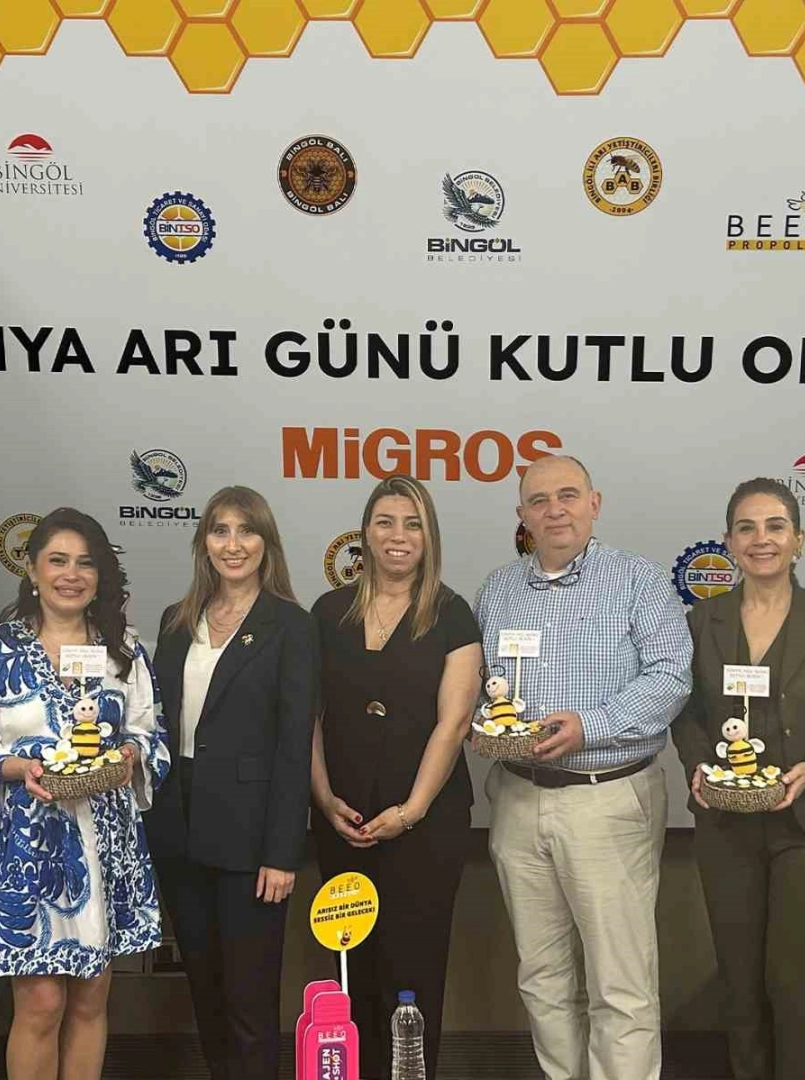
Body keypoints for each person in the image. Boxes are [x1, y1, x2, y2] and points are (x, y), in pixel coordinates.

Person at [473, 454, 693, 1080]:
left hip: (608, 797)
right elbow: (481, 684)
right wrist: (485, 721)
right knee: (542, 976)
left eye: (568, 495)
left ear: (594, 504)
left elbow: (671, 678)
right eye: (539, 501)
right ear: (521, 515)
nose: (555, 510)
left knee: (620, 982)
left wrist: (588, 726)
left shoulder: (638, 580)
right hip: (517, 799)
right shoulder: (498, 589)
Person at [0, 507, 170, 1080]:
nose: (72, 575)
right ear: (32, 570)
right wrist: (16, 766)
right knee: (41, 1005)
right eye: (58, 561)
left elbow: (148, 729)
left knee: (91, 1000)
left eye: (85, 563)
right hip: (27, 846)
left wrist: (131, 754)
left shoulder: (124, 651)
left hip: (106, 842)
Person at [672, 478, 805, 1080]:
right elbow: (685, 714)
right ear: (729, 542)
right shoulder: (701, 619)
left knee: (794, 983)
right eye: (746, 528)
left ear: (799, 540)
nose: (761, 539)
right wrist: (698, 766)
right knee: (739, 984)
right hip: (725, 825)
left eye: (775, 526)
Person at [311, 475, 483, 1080]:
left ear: (429, 535)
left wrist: (410, 812)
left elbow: (453, 724)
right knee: (350, 967)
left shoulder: (452, 614)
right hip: (343, 821)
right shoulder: (327, 612)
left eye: (413, 524)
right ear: (364, 533)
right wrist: (324, 798)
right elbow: (309, 717)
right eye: (385, 522)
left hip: (425, 825)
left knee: (414, 966)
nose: (398, 535)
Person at [142, 486, 317, 1080]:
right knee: (206, 988)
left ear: (267, 543)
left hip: (252, 836)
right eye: (220, 530)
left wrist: (283, 852)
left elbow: (295, 745)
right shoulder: (176, 620)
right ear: (204, 543)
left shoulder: (291, 625)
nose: (233, 544)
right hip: (180, 826)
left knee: (249, 999)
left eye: (247, 530)